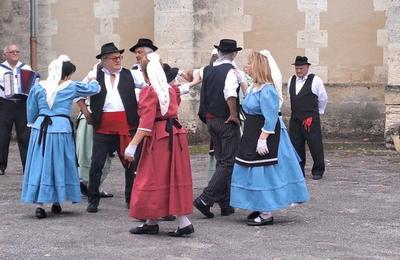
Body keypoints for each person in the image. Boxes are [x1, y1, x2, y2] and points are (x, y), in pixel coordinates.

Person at [230, 50, 309, 226]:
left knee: (263, 172)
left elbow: (271, 116)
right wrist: (242, 79)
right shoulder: (254, 87)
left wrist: (263, 138)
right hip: (251, 134)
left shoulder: (268, 90)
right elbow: (249, 102)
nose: (246, 66)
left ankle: (266, 213)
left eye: (249, 64)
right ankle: (259, 206)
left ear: (257, 67)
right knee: (250, 170)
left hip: (265, 135)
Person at [124, 52, 198, 237]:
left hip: (159, 137)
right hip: (175, 135)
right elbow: (183, 90)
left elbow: (146, 124)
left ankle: (181, 222)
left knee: (151, 176)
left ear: (145, 72)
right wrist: (195, 79)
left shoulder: (149, 91)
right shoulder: (170, 89)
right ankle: (154, 220)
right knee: (172, 176)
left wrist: (132, 145)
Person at [20, 55, 100, 218]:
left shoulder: (38, 87)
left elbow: (31, 110)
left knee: (41, 164)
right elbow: (94, 89)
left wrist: (33, 122)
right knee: (59, 163)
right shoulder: (71, 86)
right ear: (66, 74)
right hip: (60, 129)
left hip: (41, 128)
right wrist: (93, 77)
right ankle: (56, 201)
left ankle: (40, 204)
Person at [86, 42, 144, 213]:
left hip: (125, 126)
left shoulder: (131, 75)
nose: (118, 60)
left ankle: (130, 198)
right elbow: (77, 92)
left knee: (130, 164)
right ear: (104, 60)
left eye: (120, 57)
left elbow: (148, 87)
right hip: (102, 127)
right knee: (96, 164)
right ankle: (93, 200)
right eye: (114, 58)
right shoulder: (93, 76)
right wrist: (86, 112)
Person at [194, 39, 245, 218]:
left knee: (222, 160)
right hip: (225, 120)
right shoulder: (231, 71)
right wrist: (233, 114)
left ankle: (225, 203)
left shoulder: (208, 70)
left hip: (211, 120)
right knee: (228, 162)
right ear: (234, 54)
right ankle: (205, 198)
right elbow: (230, 93)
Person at [287, 56, 328, 180]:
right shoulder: (291, 79)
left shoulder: (316, 80)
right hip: (295, 118)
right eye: (297, 68)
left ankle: (318, 170)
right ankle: (299, 170)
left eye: (301, 68)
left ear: (307, 67)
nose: (299, 71)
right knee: (296, 145)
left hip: (310, 119)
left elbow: (323, 98)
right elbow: (290, 96)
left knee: (315, 144)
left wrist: (317, 113)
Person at [0, 44, 33, 175]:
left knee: (25, 136)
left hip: (22, 104)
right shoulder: (1, 69)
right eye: (12, 51)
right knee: (2, 135)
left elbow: (31, 85)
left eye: (17, 51)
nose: (15, 53)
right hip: (5, 104)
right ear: (6, 54)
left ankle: (27, 166)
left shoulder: (26, 68)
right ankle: (1, 165)